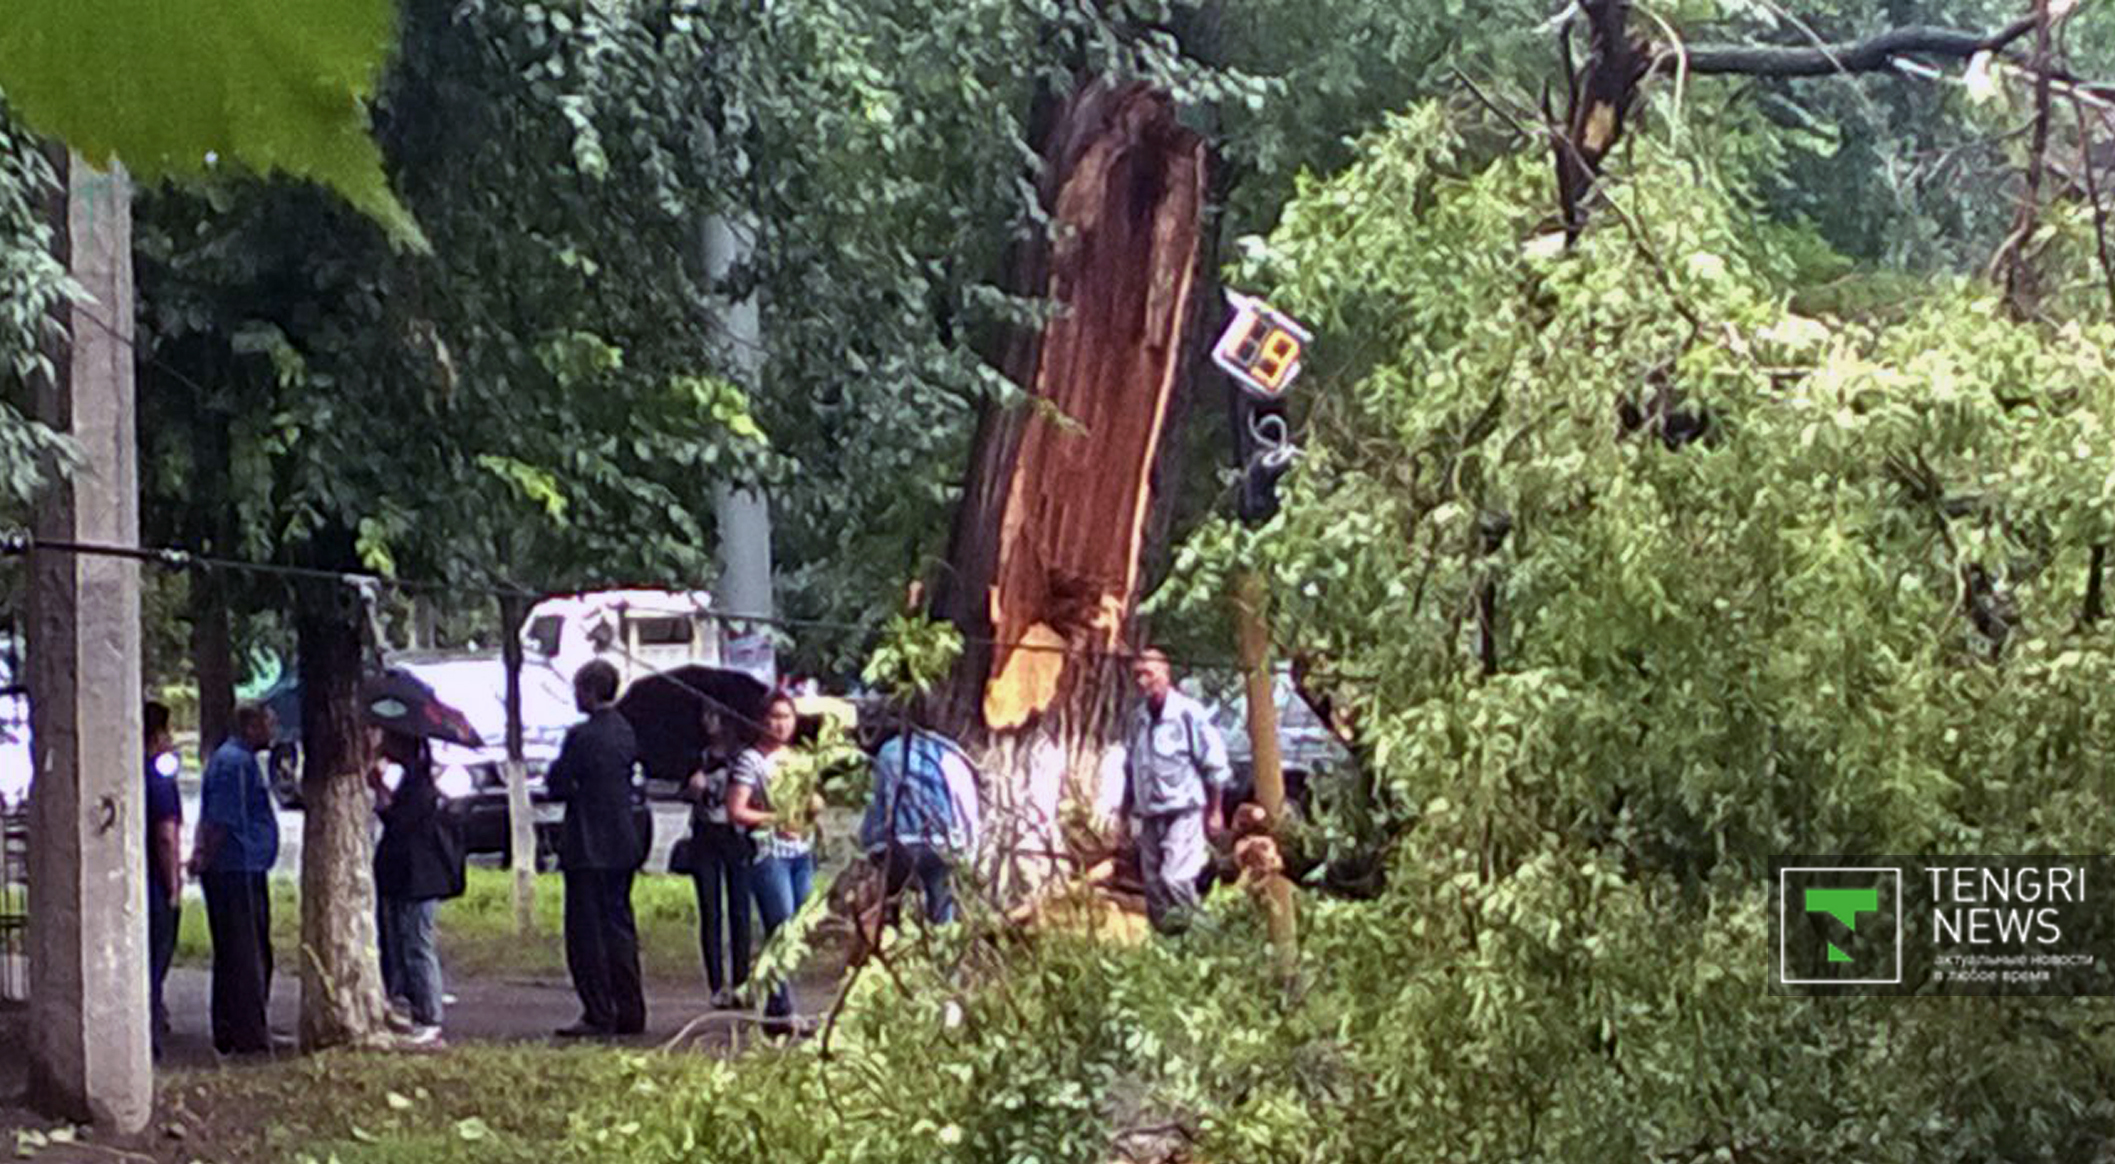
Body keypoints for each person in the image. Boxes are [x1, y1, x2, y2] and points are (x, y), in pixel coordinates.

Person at [547, 660, 647, 1037]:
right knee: (620, 928)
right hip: (623, 843)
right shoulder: (626, 731)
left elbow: (558, 782)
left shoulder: (582, 736)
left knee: (586, 934)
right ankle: (631, 1010)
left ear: (588, 691)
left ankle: (598, 1011)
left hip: (587, 845)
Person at [188, 702, 281, 1055]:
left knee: (239, 950)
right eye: (268, 723)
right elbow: (220, 820)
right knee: (246, 952)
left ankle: (232, 1027)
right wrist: (205, 856)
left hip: (243, 865)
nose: (273, 730)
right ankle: (247, 1032)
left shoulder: (236, 759)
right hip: (236, 867)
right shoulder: (234, 762)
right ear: (251, 726)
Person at [1120, 649, 1231, 934]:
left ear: (1165, 674)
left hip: (1183, 811)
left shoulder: (1187, 713)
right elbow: (1131, 768)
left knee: (1176, 878)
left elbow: (1215, 763)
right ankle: (1167, 944)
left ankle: (1204, 936)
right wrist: (1126, 812)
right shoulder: (1138, 719)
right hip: (1149, 814)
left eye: (1149, 674)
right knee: (1153, 885)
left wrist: (1215, 811)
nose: (1143, 682)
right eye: (1137, 676)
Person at [369, 723, 465, 1046]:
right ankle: (409, 1005)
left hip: (418, 877)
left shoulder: (419, 786)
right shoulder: (412, 780)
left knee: (417, 945)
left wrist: (381, 791)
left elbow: (401, 823)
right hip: (404, 875)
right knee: (399, 944)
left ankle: (430, 1016)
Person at [726, 693, 815, 1031]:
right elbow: (736, 810)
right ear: (762, 720)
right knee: (781, 926)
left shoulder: (798, 759)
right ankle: (780, 1009)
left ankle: (778, 1002)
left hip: (801, 852)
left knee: (798, 927)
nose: (781, 724)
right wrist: (775, 819)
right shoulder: (751, 760)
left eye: (787, 717)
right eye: (774, 717)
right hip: (768, 853)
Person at [859, 705, 980, 925]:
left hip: (900, 842)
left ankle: (892, 930)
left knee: (893, 894)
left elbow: (879, 802)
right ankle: (943, 935)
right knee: (941, 897)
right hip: (941, 842)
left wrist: (871, 844)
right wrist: (969, 849)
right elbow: (964, 802)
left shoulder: (889, 752)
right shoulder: (950, 754)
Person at [684, 708, 753, 1009]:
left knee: (740, 909)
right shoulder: (696, 755)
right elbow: (683, 793)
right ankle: (716, 984)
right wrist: (693, 788)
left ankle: (741, 981)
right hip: (705, 836)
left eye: (713, 715)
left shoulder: (743, 757)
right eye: (704, 715)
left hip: (736, 836)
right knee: (710, 909)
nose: (707, 722)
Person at [143, 701, 183, 1059]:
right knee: (155, 964)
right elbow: (166, 837)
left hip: (134, 884)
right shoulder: (159, 780)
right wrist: (173, 886)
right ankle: (150, 1039)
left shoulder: (128, 775)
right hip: (155, 885)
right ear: (157, 736)